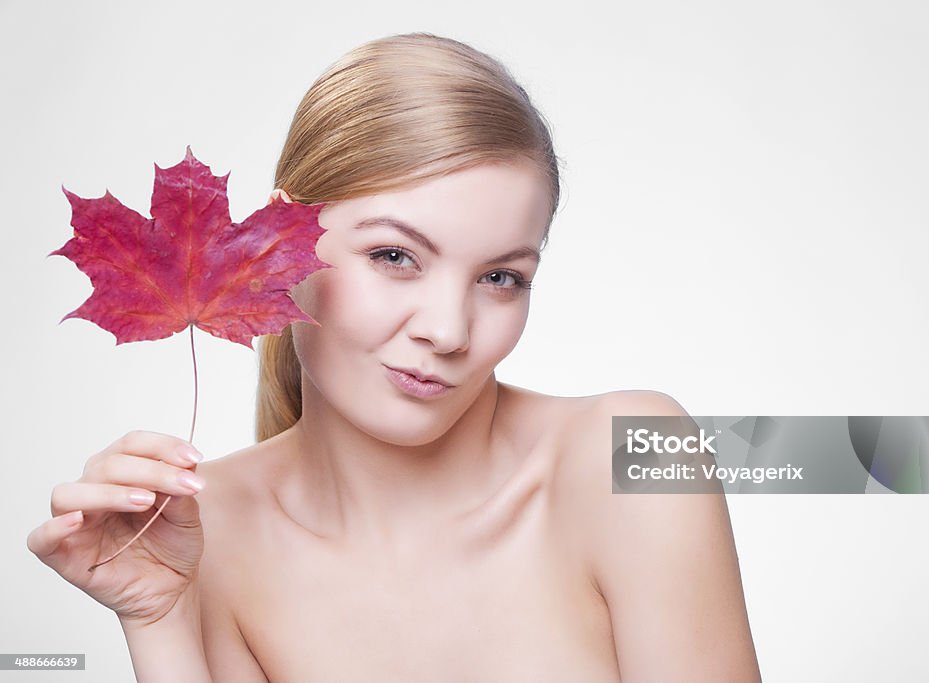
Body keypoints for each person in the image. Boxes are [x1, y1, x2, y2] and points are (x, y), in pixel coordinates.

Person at [27, 32, 761, 681]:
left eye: (500, 277)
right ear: (282, 241)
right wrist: (158, 624)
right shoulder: (198, 531)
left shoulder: (635, 459)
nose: (448, 329)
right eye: (395, 256)